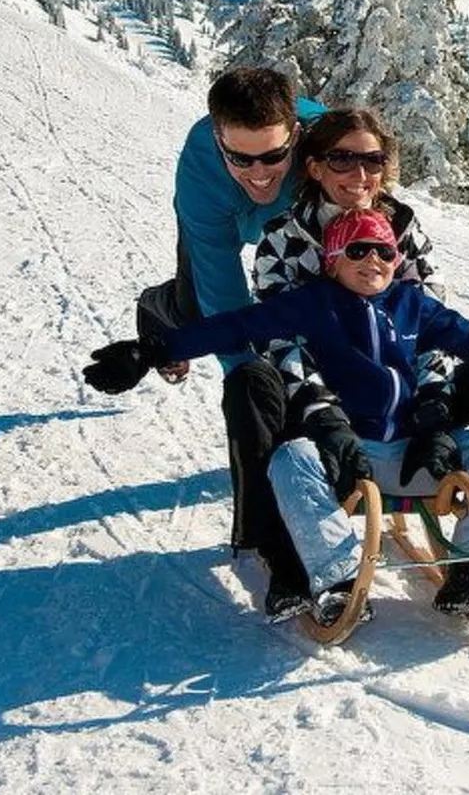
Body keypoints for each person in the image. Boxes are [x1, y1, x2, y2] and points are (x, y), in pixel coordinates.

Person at [85, 208, 469, 620]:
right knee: (290, 459)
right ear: (332, 259)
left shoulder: (415, 305)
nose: (373, 260)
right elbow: (233, 327)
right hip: (346, 454)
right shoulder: (313, 304)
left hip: (416, 449)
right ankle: (333, 576)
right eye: (357, 250)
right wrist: (151, 350)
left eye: (383, 251)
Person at [252, 109, 469, 533]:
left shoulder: (404, 230)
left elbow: (433, 329)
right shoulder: (285, 239)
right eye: (342, 160)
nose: (359, 173)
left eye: (372, 161)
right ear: (315, 167)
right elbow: (280, 340)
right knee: (251, 383)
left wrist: (434, 409)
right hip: (329, 407)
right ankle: (279, 544)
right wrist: (324, 414)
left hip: (406, 403)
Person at [133, 66, 328, 608]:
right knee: (199, 311)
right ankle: (156, 312)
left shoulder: (322, 142)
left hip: (286, 224)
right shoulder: (200, 173)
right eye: (240, 157)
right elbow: (226, 299)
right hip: (219, 219)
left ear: (296, 133)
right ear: (219, 138)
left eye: (272, 156)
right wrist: (259, 390)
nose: (259, 172)